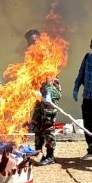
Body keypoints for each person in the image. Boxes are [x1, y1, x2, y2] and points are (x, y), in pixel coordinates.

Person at [25, 29, 61, 166]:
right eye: (29, 43)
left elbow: (50, 75)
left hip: (49, 93)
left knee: (47, 125)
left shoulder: (47, 54)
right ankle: (38, 151)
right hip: (38, 94)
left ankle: (50, 155)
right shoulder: (30, 56)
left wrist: (48, 94)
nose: (31, 46)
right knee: (37, 123)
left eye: (34, 42)